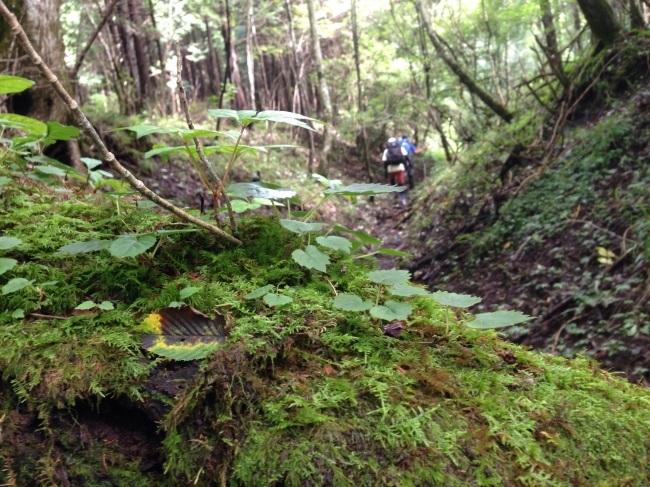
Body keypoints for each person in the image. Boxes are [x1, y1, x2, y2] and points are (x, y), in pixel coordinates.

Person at [382, 137, 408, 207]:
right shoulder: (400, 148)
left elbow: (384, 162)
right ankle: (403, 199)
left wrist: (385, 172)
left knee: (393, 182)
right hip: (400, 168)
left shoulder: (386, 151)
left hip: (391, 169)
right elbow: (406, 157)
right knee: (401, 183)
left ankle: (395, 196)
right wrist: (407, 167)